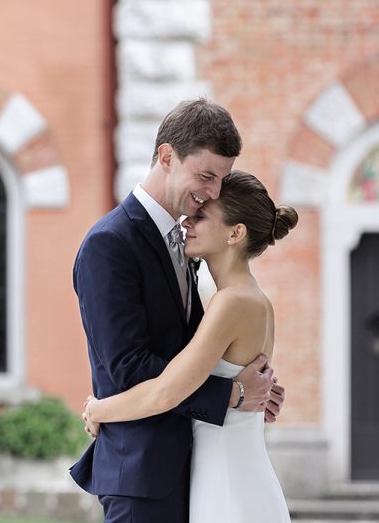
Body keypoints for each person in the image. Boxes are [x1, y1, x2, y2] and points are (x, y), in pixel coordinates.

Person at [69, 99, 284, 523]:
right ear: (167, 157)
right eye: (206, 176)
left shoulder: (186, 246)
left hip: (192, 471)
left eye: (221, 181)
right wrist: (233, 395)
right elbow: (129, 368)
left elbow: (198, 353)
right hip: (142, 475)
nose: (214, 192)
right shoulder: (110, 244)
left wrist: (250, 386)